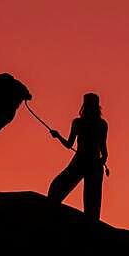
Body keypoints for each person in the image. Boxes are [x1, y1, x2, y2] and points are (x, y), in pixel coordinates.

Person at [47, 92, 108, 220]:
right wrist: (99, 162)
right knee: (91, 202)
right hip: (90, 163)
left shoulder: (79, 123)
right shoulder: (101, 124)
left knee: (58, 189)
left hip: (82, 161)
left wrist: (57, 136)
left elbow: (69, 145)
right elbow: (105, 153)